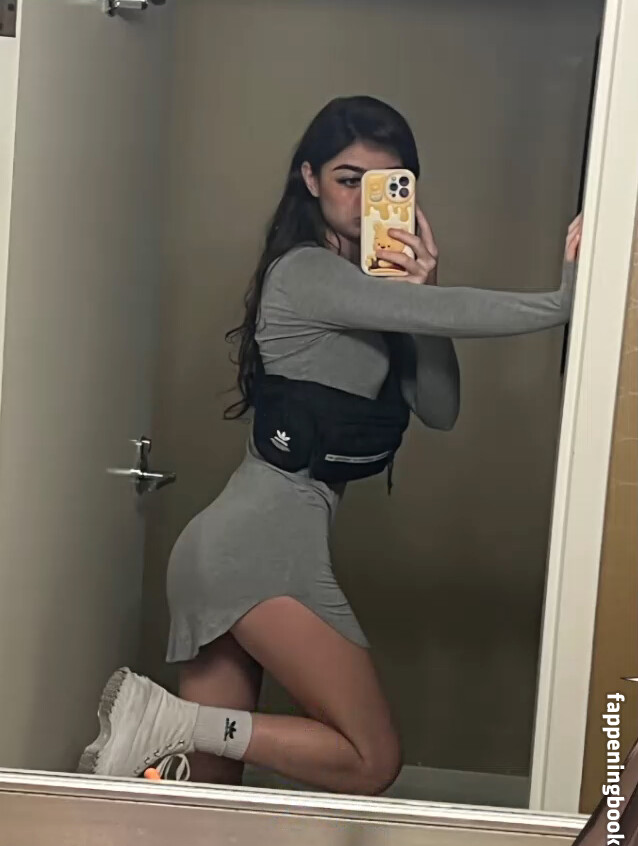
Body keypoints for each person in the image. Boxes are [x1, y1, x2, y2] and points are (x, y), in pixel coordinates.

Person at [78, 96, 583, 795]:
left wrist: (421, 297)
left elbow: (440, 409)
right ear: (310, 178)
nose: (361, 200)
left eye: (384, 184)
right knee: (371, 758)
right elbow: (464, 316)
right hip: (254, 551)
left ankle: (168, 730)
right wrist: (566, 302)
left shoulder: (373, 294)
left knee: (209, 795)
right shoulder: (306, 272)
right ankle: (167, 719)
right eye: (348, 180)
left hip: (232, 550)